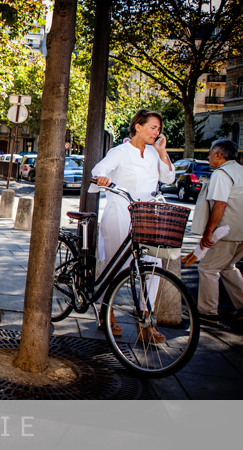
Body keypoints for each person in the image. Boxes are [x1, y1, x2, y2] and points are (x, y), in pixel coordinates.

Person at [89, 109, 174, 343]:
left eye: (158, 129)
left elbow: (169, 178)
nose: (156, 132)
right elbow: (98, 171)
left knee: (153, 265)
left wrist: (162, 152)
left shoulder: (154, 153)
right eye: (153, 127)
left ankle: (145, 320)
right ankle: (107, 313)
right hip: (120, 214)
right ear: (138, 127)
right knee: (115, 266)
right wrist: (103, 179)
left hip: (146, 217)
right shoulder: (120, 151)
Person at [191, 140, 243, 325]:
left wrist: (208, 232)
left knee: (207, 268)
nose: (208, 157)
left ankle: (207, 312)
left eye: (210, 153)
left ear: (218, 155)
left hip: (226, 231)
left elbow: (220, 204)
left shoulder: (221, 174)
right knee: (228, 266)